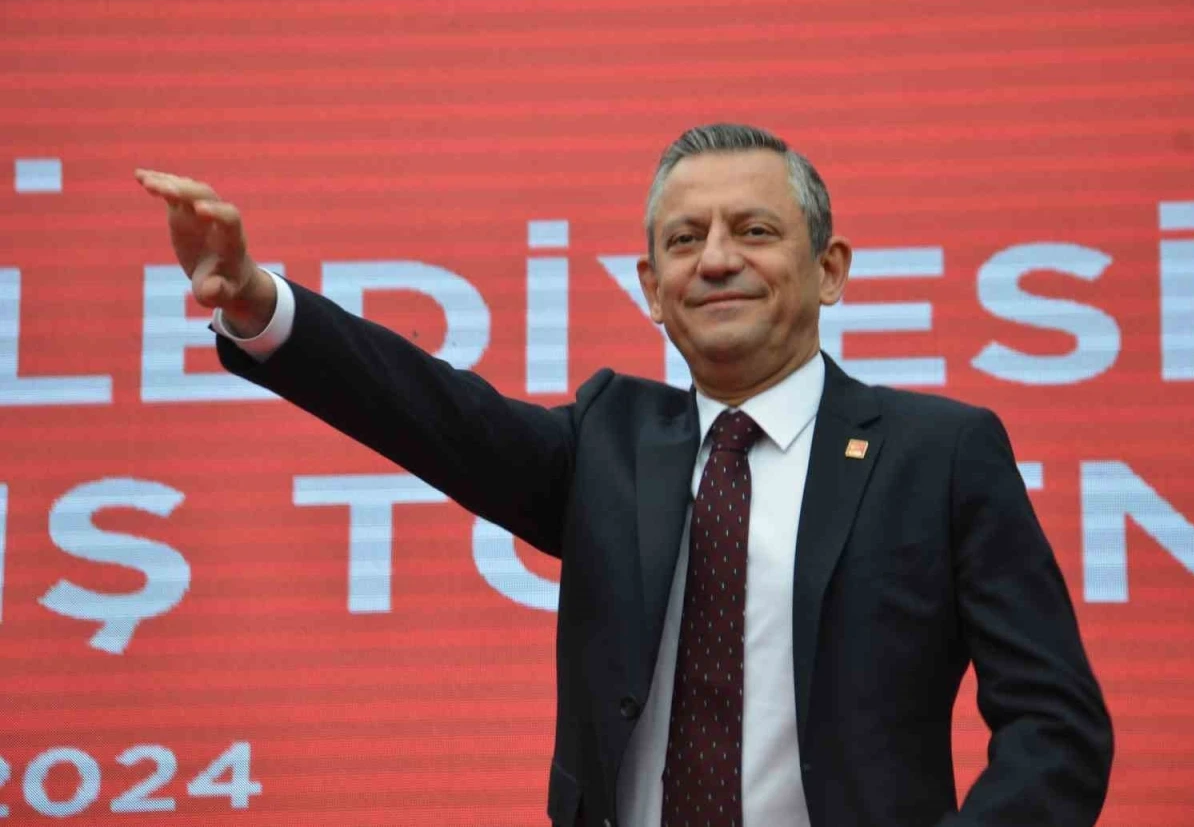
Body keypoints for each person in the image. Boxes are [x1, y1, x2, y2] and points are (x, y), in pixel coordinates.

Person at [135, 123, 1113, 827]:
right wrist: (257, 303)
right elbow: (430, 412)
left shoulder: (937, 453)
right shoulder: (608, 440)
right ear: (650, 287)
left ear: (829, 268)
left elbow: (1054, 723)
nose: (715, 260)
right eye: (684, 240)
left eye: (754, 231)